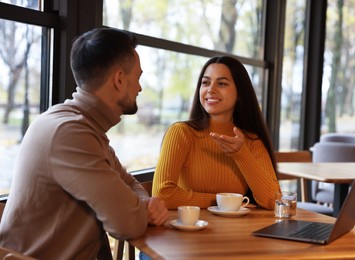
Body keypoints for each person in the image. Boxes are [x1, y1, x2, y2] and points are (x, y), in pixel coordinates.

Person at [0, 27, 168, 259]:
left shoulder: (79, 124)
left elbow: (130, 183)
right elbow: (126, 223)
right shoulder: (71, 133)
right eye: (137, 78)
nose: (139, 87)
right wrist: (143, 209)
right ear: (119, 80)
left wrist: (143, 204)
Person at [152, 56, 281, 210]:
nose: (211, 90)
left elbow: (273, 200)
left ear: (240, 92)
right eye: (205, 82)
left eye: (222, 83)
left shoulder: (251, 141)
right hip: (189, 230)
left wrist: (241, 154)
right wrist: (226, 201)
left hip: (236, 232)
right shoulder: (181, 133)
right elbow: (162, 195)